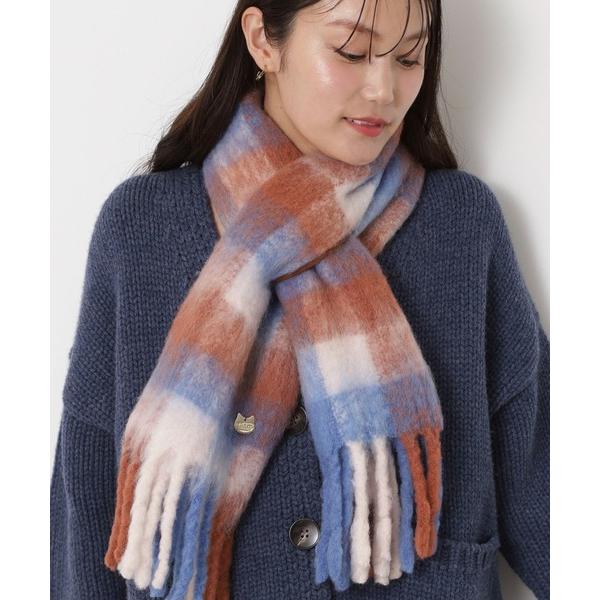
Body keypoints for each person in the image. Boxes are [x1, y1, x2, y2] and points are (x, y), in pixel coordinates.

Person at [50, 1, 549, 599]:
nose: (384, 89)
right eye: (351, 51)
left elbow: (541, 475)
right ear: (263, 40)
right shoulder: (142, 227)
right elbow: (87, 496)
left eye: (409, 57)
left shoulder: (460, 224)